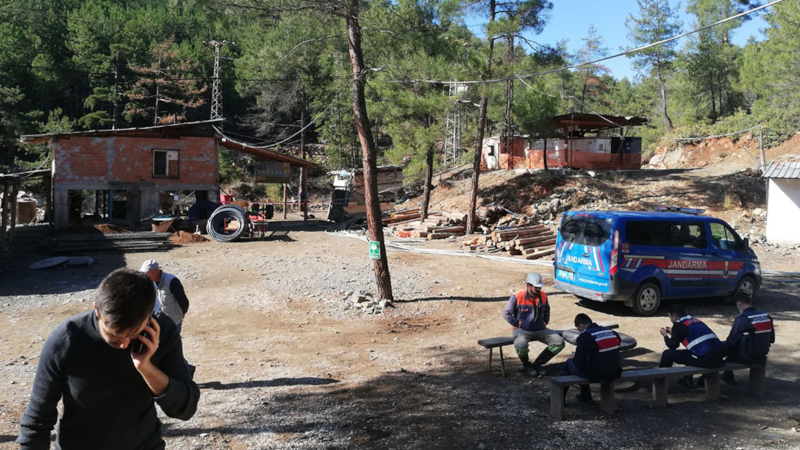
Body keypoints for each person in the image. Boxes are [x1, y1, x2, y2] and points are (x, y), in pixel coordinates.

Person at [16, 268, 200, 450]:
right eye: (115, 335)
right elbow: (37, 420)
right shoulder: (67, 339)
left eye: (134, 334)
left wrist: (146, 367)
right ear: (97, 309)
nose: (124, 345)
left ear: (149, 315)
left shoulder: (162, 331)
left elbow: (185, 409)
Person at [503, 272, 566, 376]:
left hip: (540, 329)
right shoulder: (517, 296)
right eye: (536, 287)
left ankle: (537, 364)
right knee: (520, 344)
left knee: (559, 342)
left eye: (540, 287)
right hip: (522, 330)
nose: (539, 289)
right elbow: (506, 313)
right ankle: (526, 365)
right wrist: (519, 324)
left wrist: (544, 322)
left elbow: (547, 311)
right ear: (528, 285)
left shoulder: (543, 296)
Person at [140, 259, 195, 377]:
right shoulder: (152, 283)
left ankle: (186, 370)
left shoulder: (172, 281)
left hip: (174, 321)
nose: (145, 276)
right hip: (161, 321)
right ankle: (187, 368)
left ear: (155, 271)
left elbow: (184, 301)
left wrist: (180, 315)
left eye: (146, 273)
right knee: (165, 347)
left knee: (169, 347)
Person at [659, 304, 726, 389]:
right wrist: (674, 333)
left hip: (706, 359)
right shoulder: (695, 320)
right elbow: (691, 335)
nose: (670, 320)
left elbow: (672, 345)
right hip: (719, 357)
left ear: (675, 317)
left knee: (667, 354)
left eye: (670, 317)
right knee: (691, 352)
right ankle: (687, 379)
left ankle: (660, 381)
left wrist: (665, 335)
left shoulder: (678, 325)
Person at [560, 313, 623, 403]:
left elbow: (578, 363)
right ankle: (585, 396)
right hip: (615, 371)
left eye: (578, 329)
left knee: (569, 364)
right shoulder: (612, 332)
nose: (580, 331)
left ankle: (560, 399)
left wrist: (576, 357)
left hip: (597, 374)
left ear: (581, 326)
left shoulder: (585, 337)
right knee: (587, 365)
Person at [721, 292, 775, 385]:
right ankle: (728, 377)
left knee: (721, 354)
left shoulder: (742, 319)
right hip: (762, 356)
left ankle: (722, 378)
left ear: (739, 304)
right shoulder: (767, 317)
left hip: (747, 357)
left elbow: (731, 342)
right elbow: (772, 339)